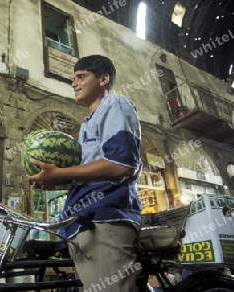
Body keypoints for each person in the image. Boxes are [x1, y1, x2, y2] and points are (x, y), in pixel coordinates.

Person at [27, 55, 143, 291]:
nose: (74, 83)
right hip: (86, 223)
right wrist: (53, 179)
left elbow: (122, 164)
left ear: (103, 79)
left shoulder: (114, 104)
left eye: (81, 76)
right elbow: (89, 173)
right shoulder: (87, 123)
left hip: (106, 221)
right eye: (74, 78)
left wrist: (59, 173)